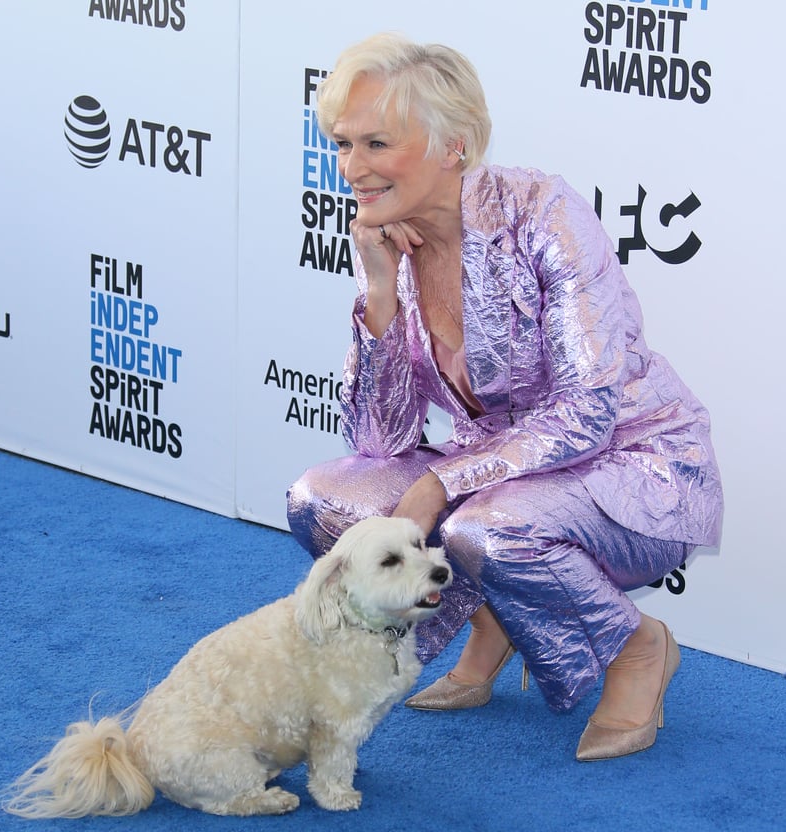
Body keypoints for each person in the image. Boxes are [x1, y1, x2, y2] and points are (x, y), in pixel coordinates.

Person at [286, 32, 723, 761]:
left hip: (636, 463)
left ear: (452, 145)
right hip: (507, 474)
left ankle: (639, 649)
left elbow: (589, 411)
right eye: (342, 145)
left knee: (484, 530)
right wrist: (378, 292)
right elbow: (377, 440)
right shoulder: (391, 239)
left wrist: (443, 482)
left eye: (375, 145)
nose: (351, 170)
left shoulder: (541, 213)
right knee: (321, 500)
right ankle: (496, 610)